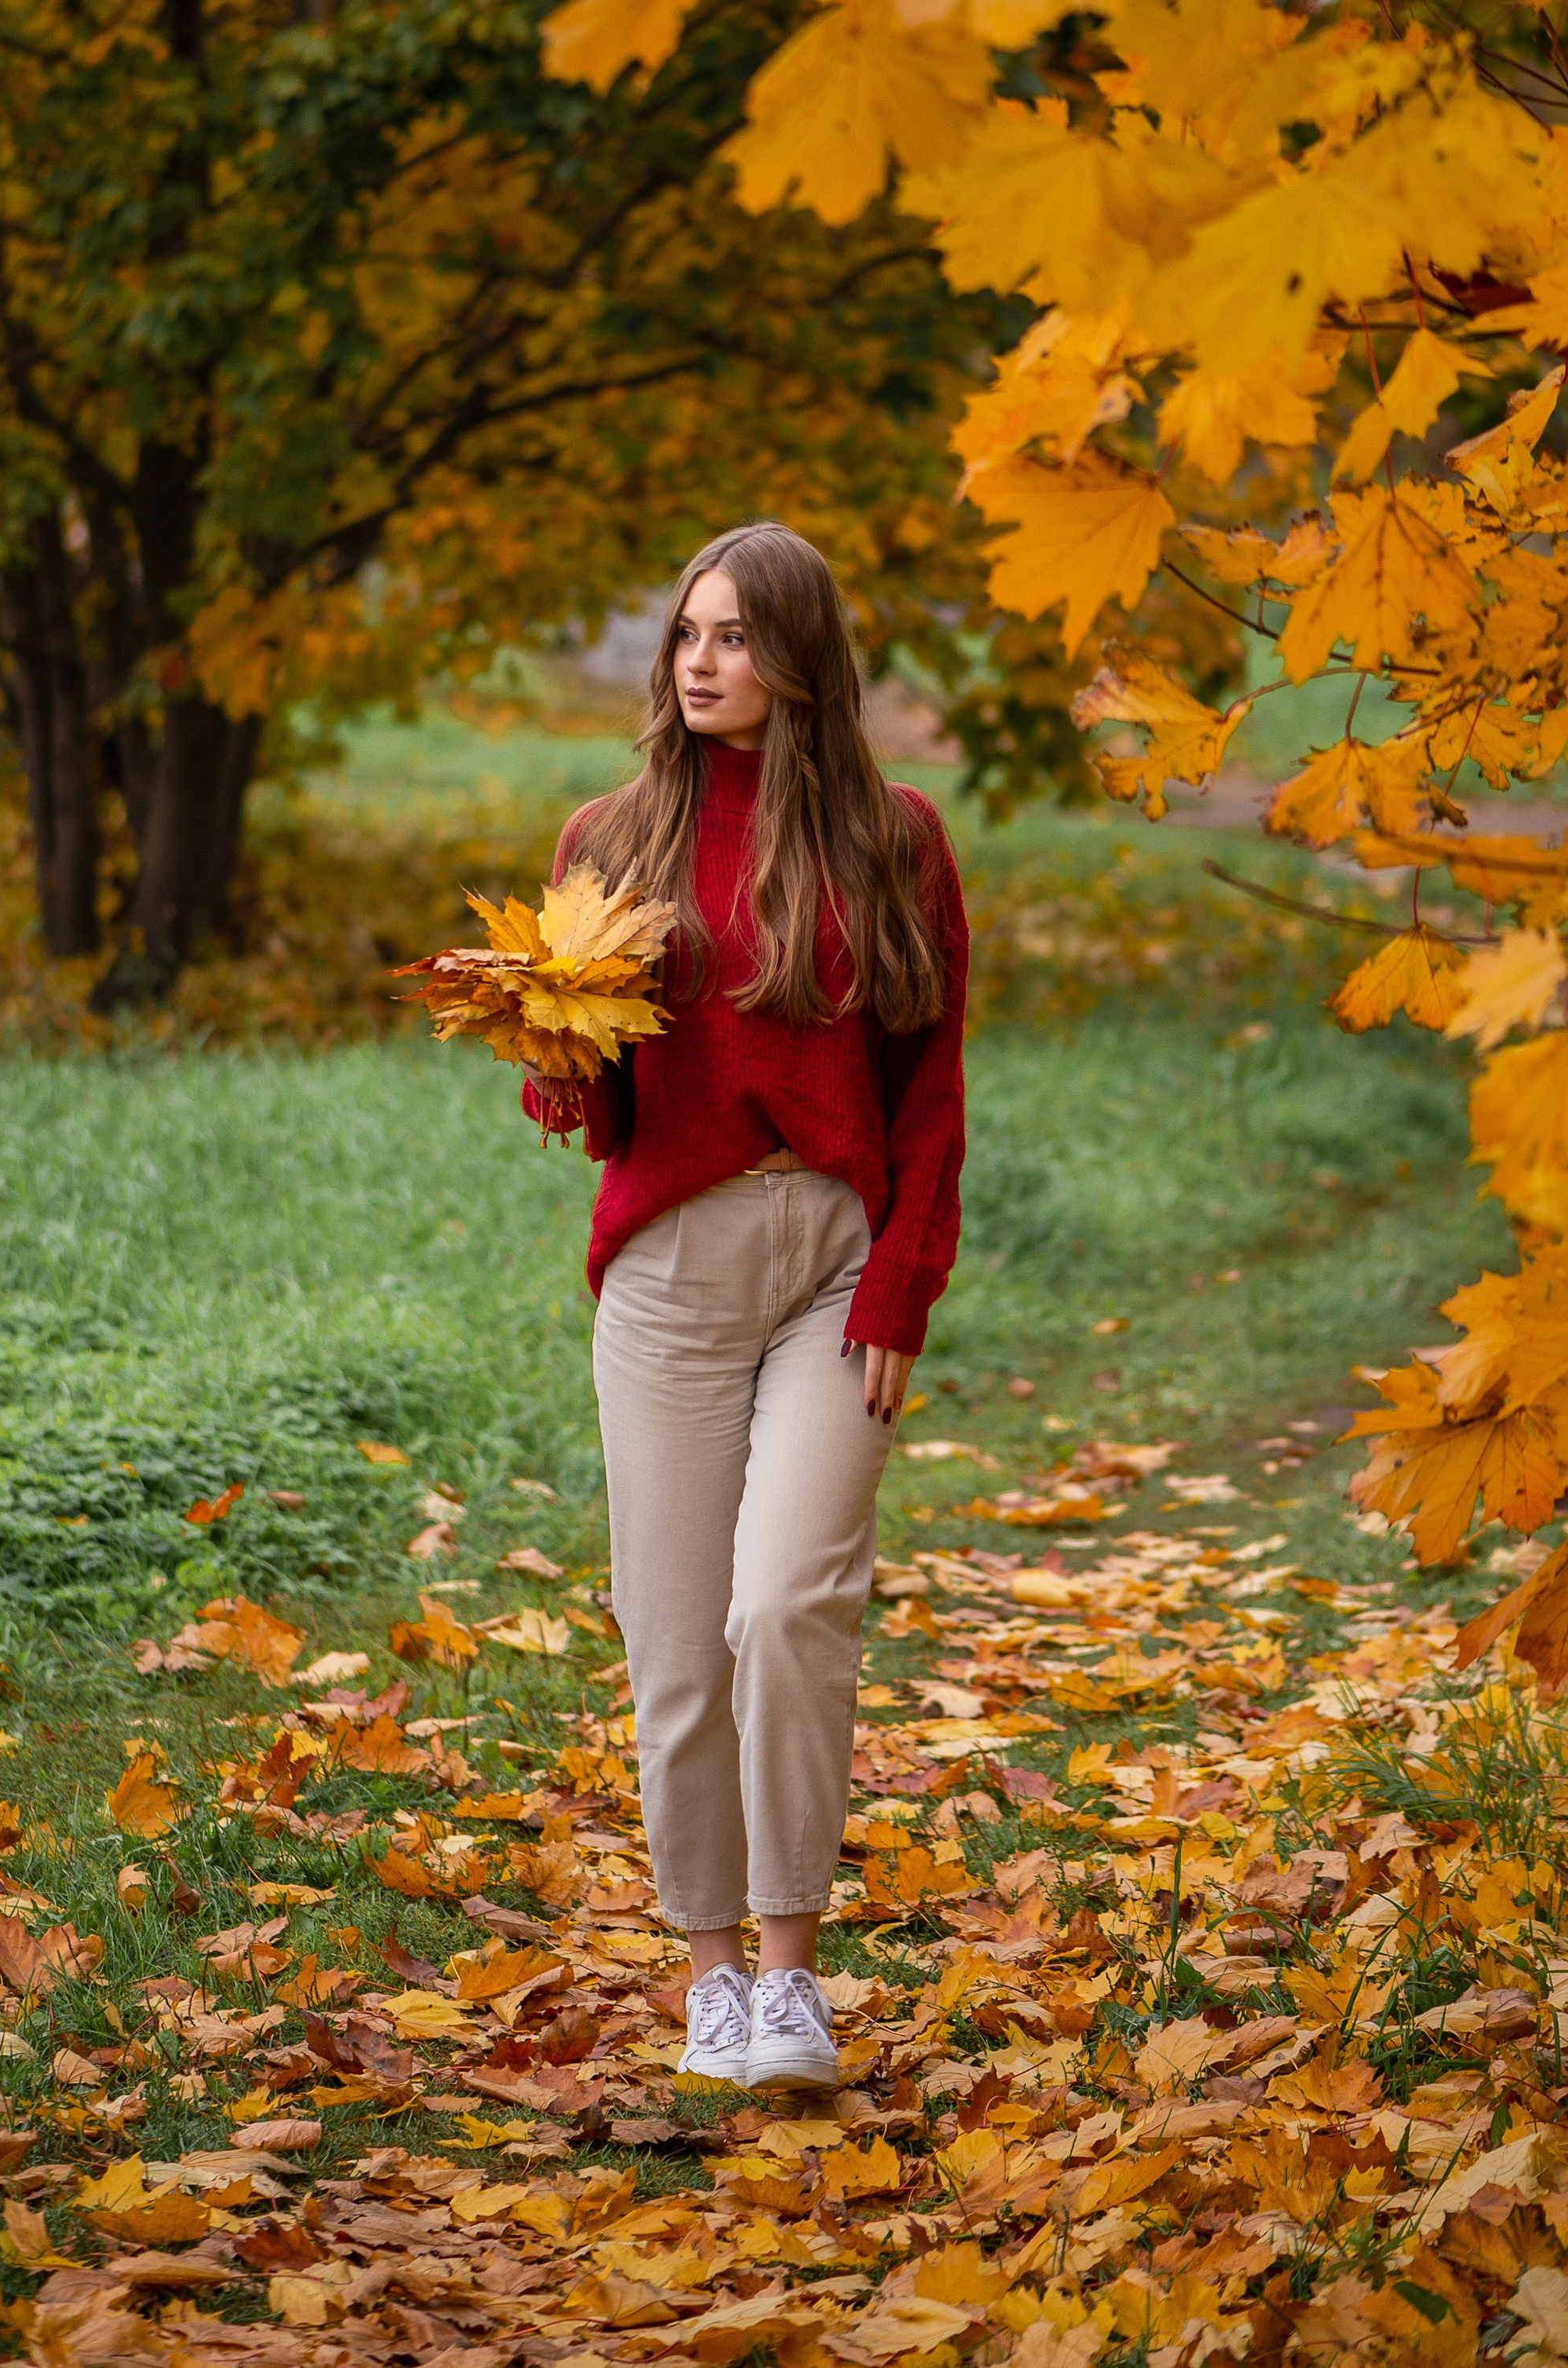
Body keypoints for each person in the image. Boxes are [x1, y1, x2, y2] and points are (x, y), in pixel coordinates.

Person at [524, 522, 968, 2091]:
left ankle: (791, 1976)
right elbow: (593, 1108)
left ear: (798, 658)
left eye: (732, 635)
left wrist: (903, 1283)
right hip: (668, 1277)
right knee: (673, 1641)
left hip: (836, 1266)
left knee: (785, 1604)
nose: (699, 661)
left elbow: (928, 1083)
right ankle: (711, 1976)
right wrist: (553, 1054)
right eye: (686, 634)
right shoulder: (608, 837)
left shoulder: (892, 839)